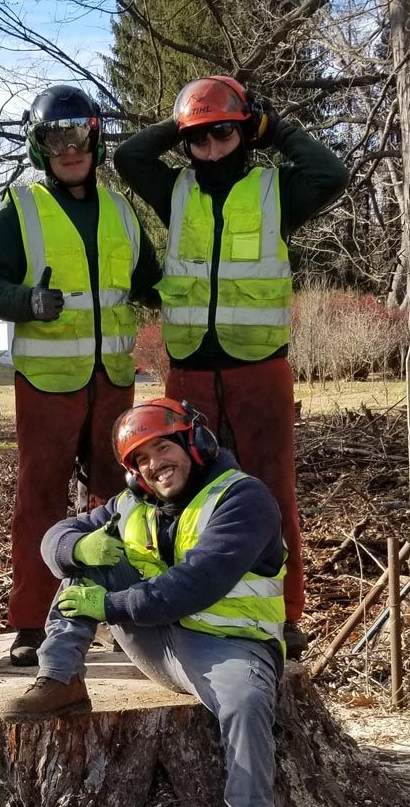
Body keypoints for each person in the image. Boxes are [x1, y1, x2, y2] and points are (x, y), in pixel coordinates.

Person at [3, 398, 286, 807]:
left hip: (230, 646)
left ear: (194, 443)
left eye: (163, 447)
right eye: (141, 459)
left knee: (247, 706)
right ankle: (60, 675)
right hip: (156, 641)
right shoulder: (132, 501)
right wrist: (77, 552)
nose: (155, 464)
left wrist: (109, 607)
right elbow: (54, 536)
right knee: (92, 553)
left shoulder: (243, 499)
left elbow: (194, 584)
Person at [113, 76, 349, 658]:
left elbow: (332, 175)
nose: (211, 146)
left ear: (245, 133)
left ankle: (283, 613)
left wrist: (274, 126)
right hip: (189, 370)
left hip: (260, 369)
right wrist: (185, 116)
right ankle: (184, 605)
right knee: (180, 492)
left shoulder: (277, 191)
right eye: (199, 138)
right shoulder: (175, 190)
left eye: (224, 132)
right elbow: (128, 154)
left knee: (271, 491)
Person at [0, 84, 161, 667]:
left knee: (124, 497)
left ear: (96, 140)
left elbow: (150, 277)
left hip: (112, 380)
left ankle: (121, 615)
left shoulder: (121, 210)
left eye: (79, 136)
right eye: (56, 139)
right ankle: (31, 623)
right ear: (38, 147)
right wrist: (28, 301)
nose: (70, 149)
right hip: (48, 381)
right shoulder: (19, 209)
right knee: (40, 499)